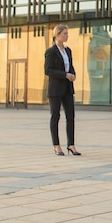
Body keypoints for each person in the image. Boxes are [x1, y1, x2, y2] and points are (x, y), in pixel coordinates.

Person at [44, 24, 81, 156]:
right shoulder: (51, 52)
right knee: (55, 116)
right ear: (57, 35)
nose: (67, 36)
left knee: (70, 116)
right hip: (55, 90)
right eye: (65, 33)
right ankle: (56, 145)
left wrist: (73, 74)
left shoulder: (68, 50)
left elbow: (70, 66)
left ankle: (71, 145)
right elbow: (48, 70)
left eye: (67, 33)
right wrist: (65, 75)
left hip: (68, 88)